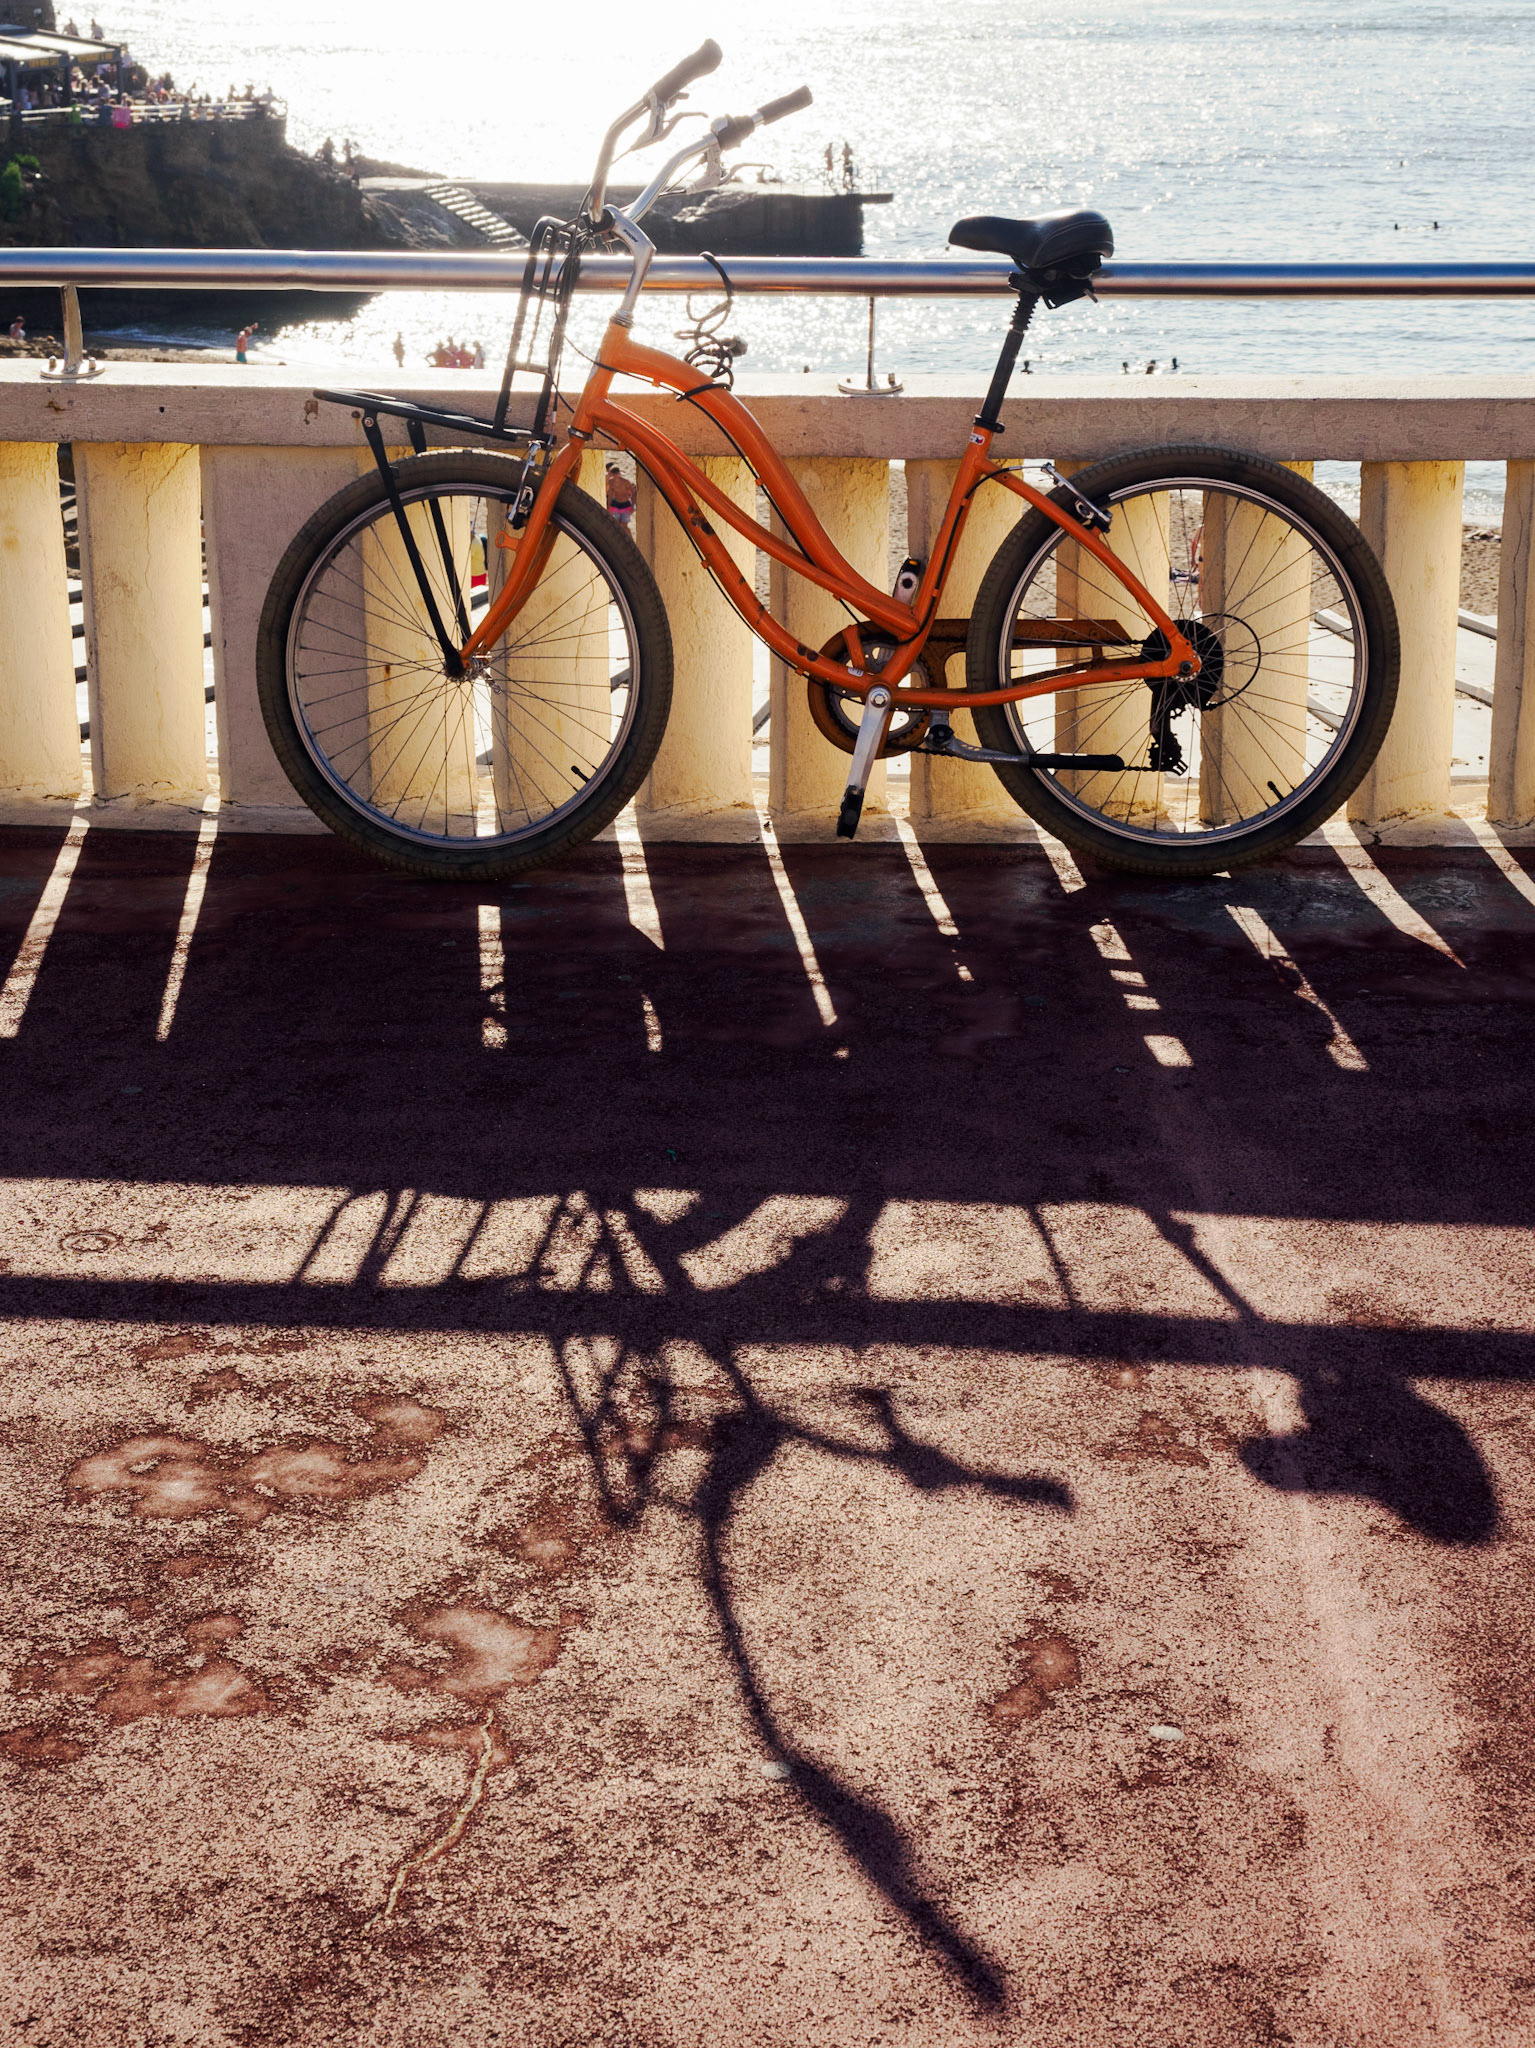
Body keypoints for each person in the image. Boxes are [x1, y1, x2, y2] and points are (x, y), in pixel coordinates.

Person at [604, 462, 635, 529]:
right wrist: (608, 507)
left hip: (625, 504)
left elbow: (632, 493)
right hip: (616, 504)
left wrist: (632, 506)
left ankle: (627, 538)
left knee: (624, 526)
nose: (615, 478)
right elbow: (610, 494)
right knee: (617, 525)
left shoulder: (625, 482)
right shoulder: (610, 481)